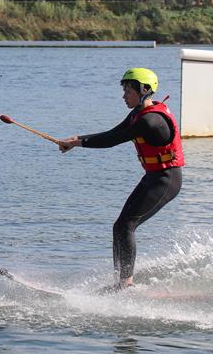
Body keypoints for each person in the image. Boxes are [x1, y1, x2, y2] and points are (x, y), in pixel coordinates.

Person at [58, 68, 184, 289]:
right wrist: (77, 139)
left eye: (128, 91)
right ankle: (121, 281)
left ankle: (125, 284)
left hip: (166, 179)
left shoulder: (151, 120)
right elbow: (112, 132)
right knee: (120, 226)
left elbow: (113, 140)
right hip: (153, 176)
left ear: (143, 90)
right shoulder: (137, 113)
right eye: (124, 90)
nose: (124, 96)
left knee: (127, 225)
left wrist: (77, 143)